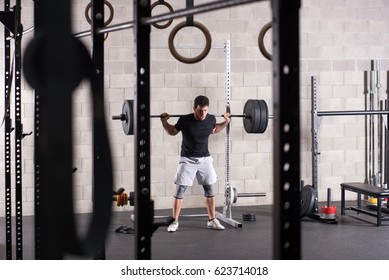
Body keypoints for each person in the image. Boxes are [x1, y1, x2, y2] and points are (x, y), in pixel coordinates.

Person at [160, 95, 231, 232]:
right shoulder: (185, 120)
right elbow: (173, 131)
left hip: (205, 159)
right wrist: (164, 122)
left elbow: (214, 129)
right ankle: (174, 221)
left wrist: (226, 122)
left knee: (209, 188)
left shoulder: (210, 118)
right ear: (194, 108)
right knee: (180, 189)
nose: (203, 114)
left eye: (205, 110)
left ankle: (212, 220)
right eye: (200, 111)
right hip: (187, 159)